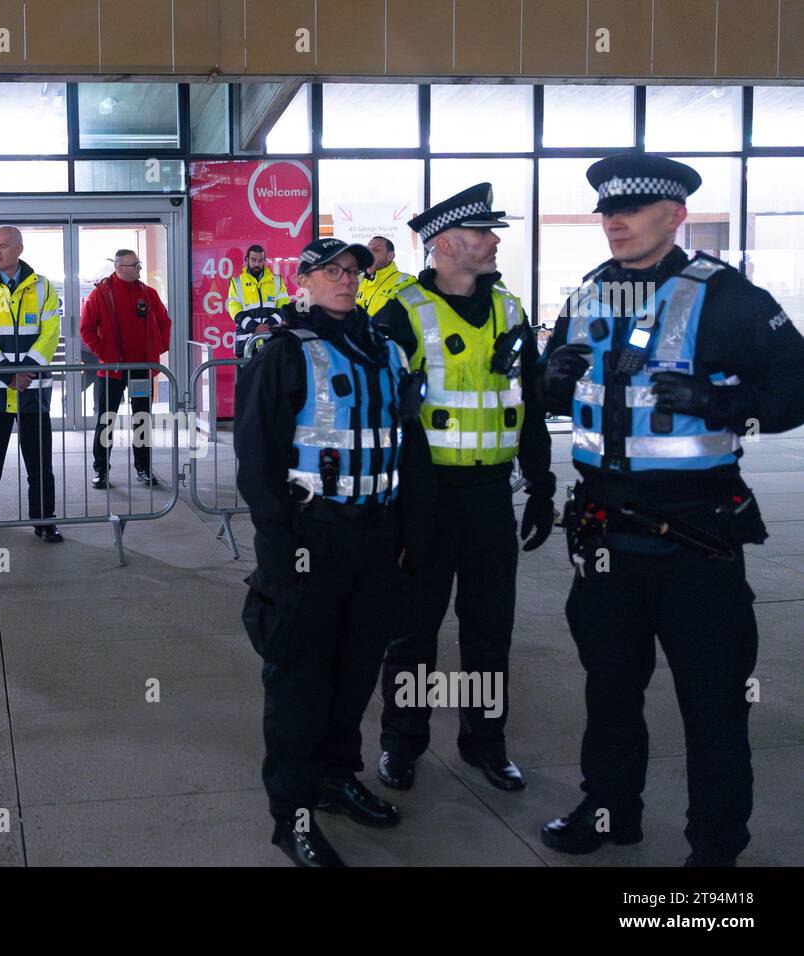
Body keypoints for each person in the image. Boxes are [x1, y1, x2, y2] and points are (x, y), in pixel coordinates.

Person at [537, 153, 804, 867]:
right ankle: (608, 810)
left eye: (631, 210)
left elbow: (795, 388)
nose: (613, 222)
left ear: (676, 215)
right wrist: (547, 380)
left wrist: (729, 403)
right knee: (610, 690)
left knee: (714, 707)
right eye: (605, 211)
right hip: (602, 538)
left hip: (697, 541)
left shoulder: (728, 296)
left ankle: (715, 852)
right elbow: (566, 396)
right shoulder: (590, 293)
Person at [236, 237, 428, 868]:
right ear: (306, 280)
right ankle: (290, 815)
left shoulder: (387, 351)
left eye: (353, 271)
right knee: (298, 681)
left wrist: (405, 536)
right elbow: (257, 463)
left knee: (353, 673)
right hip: (309, 537)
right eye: (332, 271)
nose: (346, 279)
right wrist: (278, 551)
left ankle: (337, 778)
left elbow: (407, 447)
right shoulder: (285, 351)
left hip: (374, 536)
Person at [372, 184, 555, 795]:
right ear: (447, 244)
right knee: (414, 629)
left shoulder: (511, 308)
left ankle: (485, 743)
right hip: (424, 499)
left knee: (489, 626)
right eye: (484, 234)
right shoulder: (398, 314)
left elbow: (527, 399)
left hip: (488, 497)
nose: (496, 241)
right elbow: (376, 419)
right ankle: (402, 744)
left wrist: (542, 481)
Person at [0, 226, 62, 545]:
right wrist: (8, 373)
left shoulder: (43, 287)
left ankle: (44, 521)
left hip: (32, 391)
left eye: (3, 245)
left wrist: (28, 371)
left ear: (19, 248)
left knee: (40, 461)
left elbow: (51, 333)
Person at [79, 248, 172, 487]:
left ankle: (143, 469)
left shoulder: (148, 294)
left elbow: (164, 321)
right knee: (105, 420)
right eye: (136, 265)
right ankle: (101, 471)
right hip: (111, 370)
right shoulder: (100, 294)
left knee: (142, 420)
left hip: (141, 368)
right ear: (120, 268)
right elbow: (86, 329)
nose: (140, 269)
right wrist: (105, 355)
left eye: (139, 264)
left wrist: (156, 350)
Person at [227, 244, 291, 358]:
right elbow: (234, 311)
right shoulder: (236, 282)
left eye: (260, 260)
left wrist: (267, 325)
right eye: (253, 260)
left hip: (271, 341)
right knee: (246, 375)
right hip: (246, 345)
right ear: (246, 260)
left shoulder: (277, 281)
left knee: (271, 376)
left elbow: (284, 307)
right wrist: (255, 327)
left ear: (264, 261)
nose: (257, 264)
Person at [356, 235, 415, 318]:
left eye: (376, 250)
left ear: (390, 256)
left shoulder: (407, 281)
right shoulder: (355, 280)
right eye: (368, 250)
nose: (370, 254)